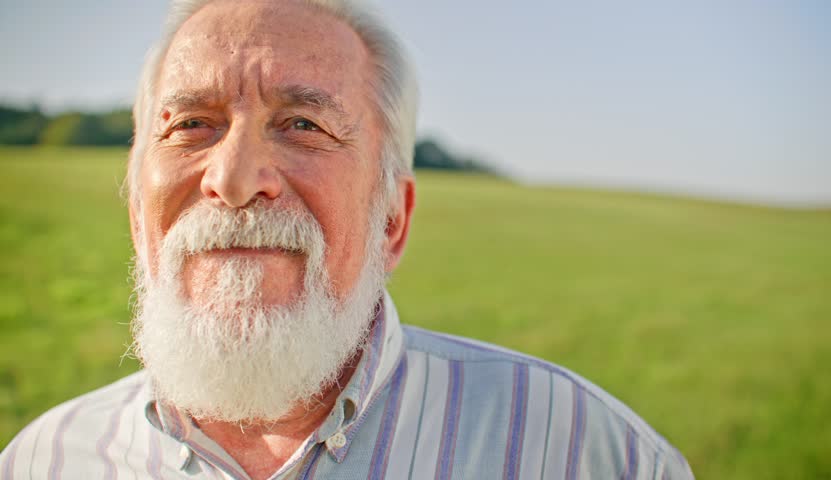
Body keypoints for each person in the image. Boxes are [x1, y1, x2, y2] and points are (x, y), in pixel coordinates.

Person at [0, 1, 694, 478]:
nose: (235, 180)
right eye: (191, 125)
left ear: (393, 217)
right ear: (134, 210)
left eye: (304, 124)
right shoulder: (43, 461)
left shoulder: (583, 456)